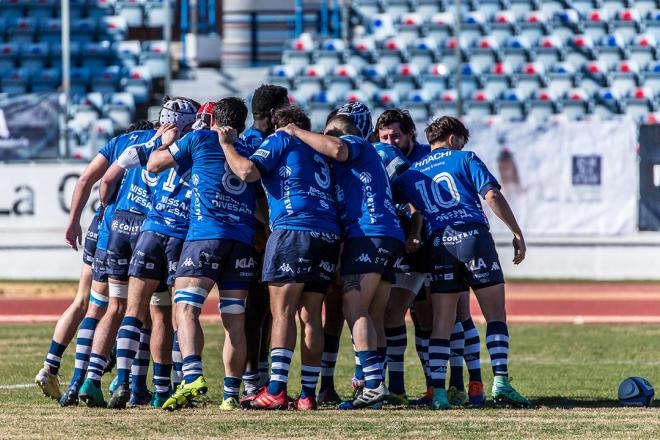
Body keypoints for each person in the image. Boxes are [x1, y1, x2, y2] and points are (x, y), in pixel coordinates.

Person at [395, 116, 531, 409]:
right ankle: (501, 383)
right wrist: (516, 231)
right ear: (454, 139)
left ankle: (439, 393)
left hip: (439, 243)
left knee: (442, 324)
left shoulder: (412, 173)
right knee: (495, 315)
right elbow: (492, 194)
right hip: (472, 237)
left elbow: (398, 203)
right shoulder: (465, 157)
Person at [277, 102, 405, 408]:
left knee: (355, 310)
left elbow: (336, 148)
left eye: (328, 131)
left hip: (367, 233)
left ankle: (373, 384)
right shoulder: (370, 155)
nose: (322, 136)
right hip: (389, 234)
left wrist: (295, 131)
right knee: (373, 315)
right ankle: (374, 387)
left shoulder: (354, 142)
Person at [77, 99, 198, 407]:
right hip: (159, 230)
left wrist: (106, 210)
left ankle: (93, 380)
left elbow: (105, 181)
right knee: (164, 312)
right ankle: (157, 389)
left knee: (118, 307)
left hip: (119, 225)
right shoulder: (191, 146)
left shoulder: (138, 145)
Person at [219, 105, 341, 410]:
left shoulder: (280, 139)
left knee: (283, 312)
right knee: (311, 315)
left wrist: (227, 146)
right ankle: (308, 395)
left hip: (293, 230)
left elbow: (247, 172)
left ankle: (274, 389)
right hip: (327, 234)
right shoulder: (319, 150)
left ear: (281, 125)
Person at [148, 97, 260, 411]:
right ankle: (230, 396)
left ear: (213, 121)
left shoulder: (198, 138)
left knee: (185, 309)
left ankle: (193, 375)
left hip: (205, 238)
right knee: (234, 320)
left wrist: (164, 142)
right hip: (241, 242)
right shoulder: (249, 151)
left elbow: (154, 165)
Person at [239, 84, 289, 396]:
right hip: (254, 237)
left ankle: (256, 375)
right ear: (273, 114)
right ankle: (251, 380)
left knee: (265, 310)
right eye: (285, 108)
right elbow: (254, 193)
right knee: (255, 309)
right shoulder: (258, 142)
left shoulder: (247, 139)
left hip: (255, 234)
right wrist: (267, 227)